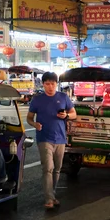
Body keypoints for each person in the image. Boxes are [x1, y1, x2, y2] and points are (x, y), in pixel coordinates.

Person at [27, 72, 77, 209]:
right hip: (44, 138)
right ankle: (49, 199)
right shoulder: (37, 100)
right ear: (43, 84)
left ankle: (52, 194)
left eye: (52, 84)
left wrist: (66, 115)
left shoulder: (63, 97)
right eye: (47, 84)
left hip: (60, 138)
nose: (50, 87)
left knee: (57, 169)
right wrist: (34, 124)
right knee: (48, 168)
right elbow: (29, 118)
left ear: (56, 84)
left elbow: (74, 114)